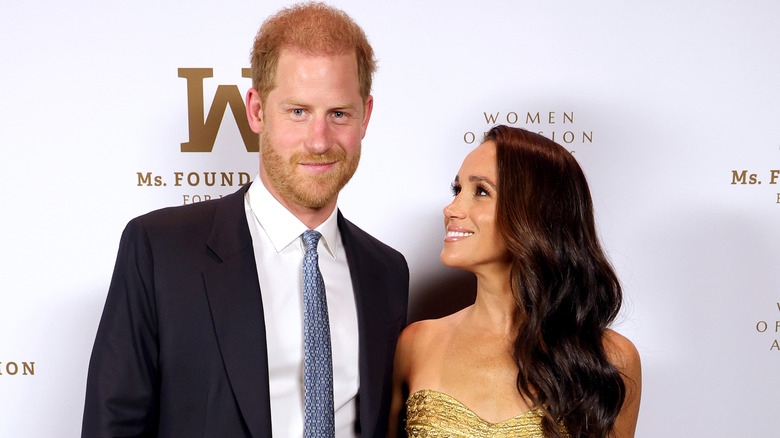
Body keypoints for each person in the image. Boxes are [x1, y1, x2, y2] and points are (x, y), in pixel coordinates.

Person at [81, 3, 408, 437]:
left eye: (338, 114)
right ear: (256, 110)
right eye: (298, 111)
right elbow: (112, 426)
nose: (319, 140)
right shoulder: (161, 250)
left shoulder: (386, 272)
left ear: (365, 116)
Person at [389, 125, 641, 437]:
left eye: (481, 191)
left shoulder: (610, 358)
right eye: (457, 190)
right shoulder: (416, 343)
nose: (451, 209)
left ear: (535, 213)